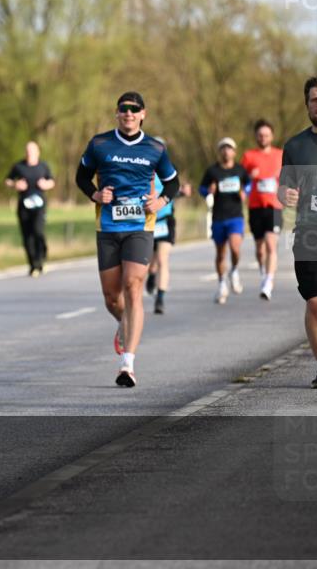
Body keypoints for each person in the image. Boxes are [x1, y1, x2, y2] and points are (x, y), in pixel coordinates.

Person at [75, 92, 180, 387]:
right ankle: (124, 324)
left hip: (139, 227)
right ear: (117, 113)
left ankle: (127, 364)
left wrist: (160, 202)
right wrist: (95, 194)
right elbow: (81, 177)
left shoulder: (155, 148)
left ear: (143, 114)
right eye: (124, 109)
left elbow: (173, 182)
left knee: (133, 285)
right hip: (108, 226)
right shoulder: (99, 144)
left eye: (134, 110)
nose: (129, 114)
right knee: (112, 297)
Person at [278, 75, 317, 389]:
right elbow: (284, 188)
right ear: (307, 105)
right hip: (310, 236)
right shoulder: (295, 146)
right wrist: (285, 195)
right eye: (315, 99)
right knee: (316, 302)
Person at [199, 138, 250, 304]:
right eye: (223, 148)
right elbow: (201, 188)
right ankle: (221, 284)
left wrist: (245, 193)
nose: (226, 151)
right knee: (221, 253)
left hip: (235, 216)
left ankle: (234, 270)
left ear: (234, 152)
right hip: (218, 217)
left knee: (235, 248)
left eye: (229, 148)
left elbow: (249, 185)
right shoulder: (213, 171)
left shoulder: (240, 170)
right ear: (220, 152)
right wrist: (208, 190)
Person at [241, 119, 284, 300]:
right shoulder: (249, 156)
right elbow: (240, 181)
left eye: (266, 135)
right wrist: (250, 177)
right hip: (255, 207)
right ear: (256, 137)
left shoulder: (280, 155)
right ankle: (263, 272)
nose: (263, 138)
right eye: (260, 135)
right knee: (260, 249)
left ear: (272, 136)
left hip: (274, 206)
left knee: (270, 244)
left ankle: (269, 280)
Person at [145, 171, 192, 315]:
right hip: (146, 222)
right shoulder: (139, 166)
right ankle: (152, 276)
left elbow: (172, 189)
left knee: (162, 259)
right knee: (150, 262)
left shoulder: (167, 169)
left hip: (165, 221)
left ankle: (160, 298)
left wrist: (183, 192)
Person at [6, 141, 55, 277]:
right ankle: (33, 265)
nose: (30, 153)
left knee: (38, 232)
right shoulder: (19, 166)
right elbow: (8, 180)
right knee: (27, 236)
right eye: (27, 151)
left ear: (37, 152)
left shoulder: (43, 166)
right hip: (24, 205)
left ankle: (41, 259)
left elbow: (52, 181)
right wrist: (16, 184)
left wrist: (46, 184)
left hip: (39, 205)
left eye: (32, 151)